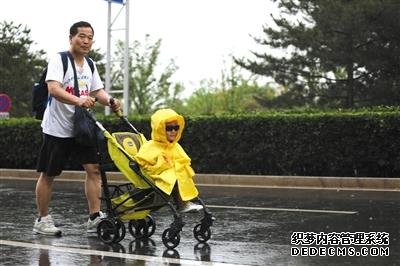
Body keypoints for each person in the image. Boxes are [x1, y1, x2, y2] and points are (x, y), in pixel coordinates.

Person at [33, 21, 121, 236]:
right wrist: (79, 100)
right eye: (81, 36)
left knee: (94, 170)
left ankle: (94, 216)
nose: (86, 41)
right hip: (57, 128)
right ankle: (42, 220)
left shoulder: (90, 64)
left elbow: (97, 90)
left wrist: (110, 101)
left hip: (82, 127)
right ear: (71, 38)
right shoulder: (59, 60)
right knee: (49, 173)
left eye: (90, 37)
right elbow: (53, 89)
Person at [134, 108, 203, 213]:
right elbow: (142, 163)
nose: (173, 131)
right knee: (175, 175)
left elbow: (183, 160)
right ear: (160, 129)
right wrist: (159, 166)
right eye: (169, 128)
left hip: (170, 176)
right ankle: (182, 204)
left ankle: (184, 202)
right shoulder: (150, 146)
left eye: (176, 128)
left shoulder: (175, 146)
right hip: (156, 178)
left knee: (182, 172)